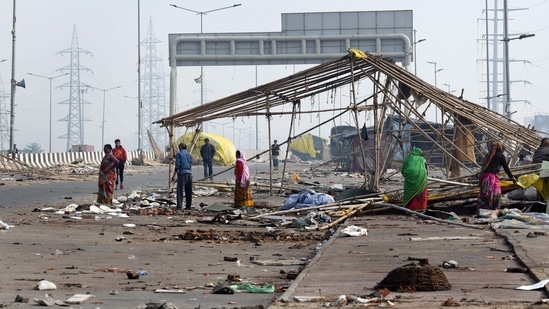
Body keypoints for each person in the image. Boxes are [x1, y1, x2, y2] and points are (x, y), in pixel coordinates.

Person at [476, 141, 517, 210]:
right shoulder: (500, 155)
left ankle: (482, 209)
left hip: (485, 177)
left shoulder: (489, 154)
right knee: (495, 194)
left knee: (485, 195)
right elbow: (506, 169)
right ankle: (492, 209)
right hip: (491, 178)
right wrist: (512, 178)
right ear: (501, 149)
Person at [401, 147, 428, 212]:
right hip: (421, 176)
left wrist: (405, 174)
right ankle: (421, 208)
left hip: (410, 176)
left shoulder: (409, 158)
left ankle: (410, 208)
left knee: (409, 192)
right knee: (421, 191)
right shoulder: (422, 159)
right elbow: (426, 168)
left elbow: (403, 169)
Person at [173, 143, 193, 209]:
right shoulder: (189, 154)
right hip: (189, 173)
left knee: (180, 190)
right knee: (188, 191)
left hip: (182, 173)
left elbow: (177, 166)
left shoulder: (179, 154)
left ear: (180, 147)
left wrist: (174, 176)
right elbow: (190, 164)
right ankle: (188, 206)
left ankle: (179, 205)